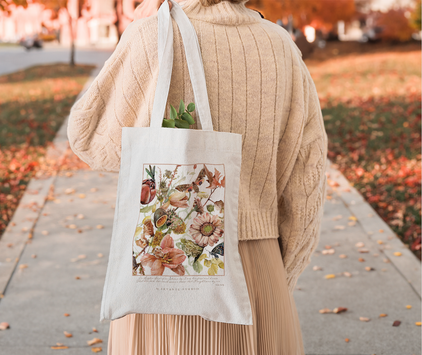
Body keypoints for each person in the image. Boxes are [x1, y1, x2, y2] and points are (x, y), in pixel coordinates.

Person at [67, 0, 328, 353]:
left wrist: (136, 34)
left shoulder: (151, 35)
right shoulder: (280, 45)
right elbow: (305, 179)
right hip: (259, 276)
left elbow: (87, 135)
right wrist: (281, 278)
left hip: (164, 273)